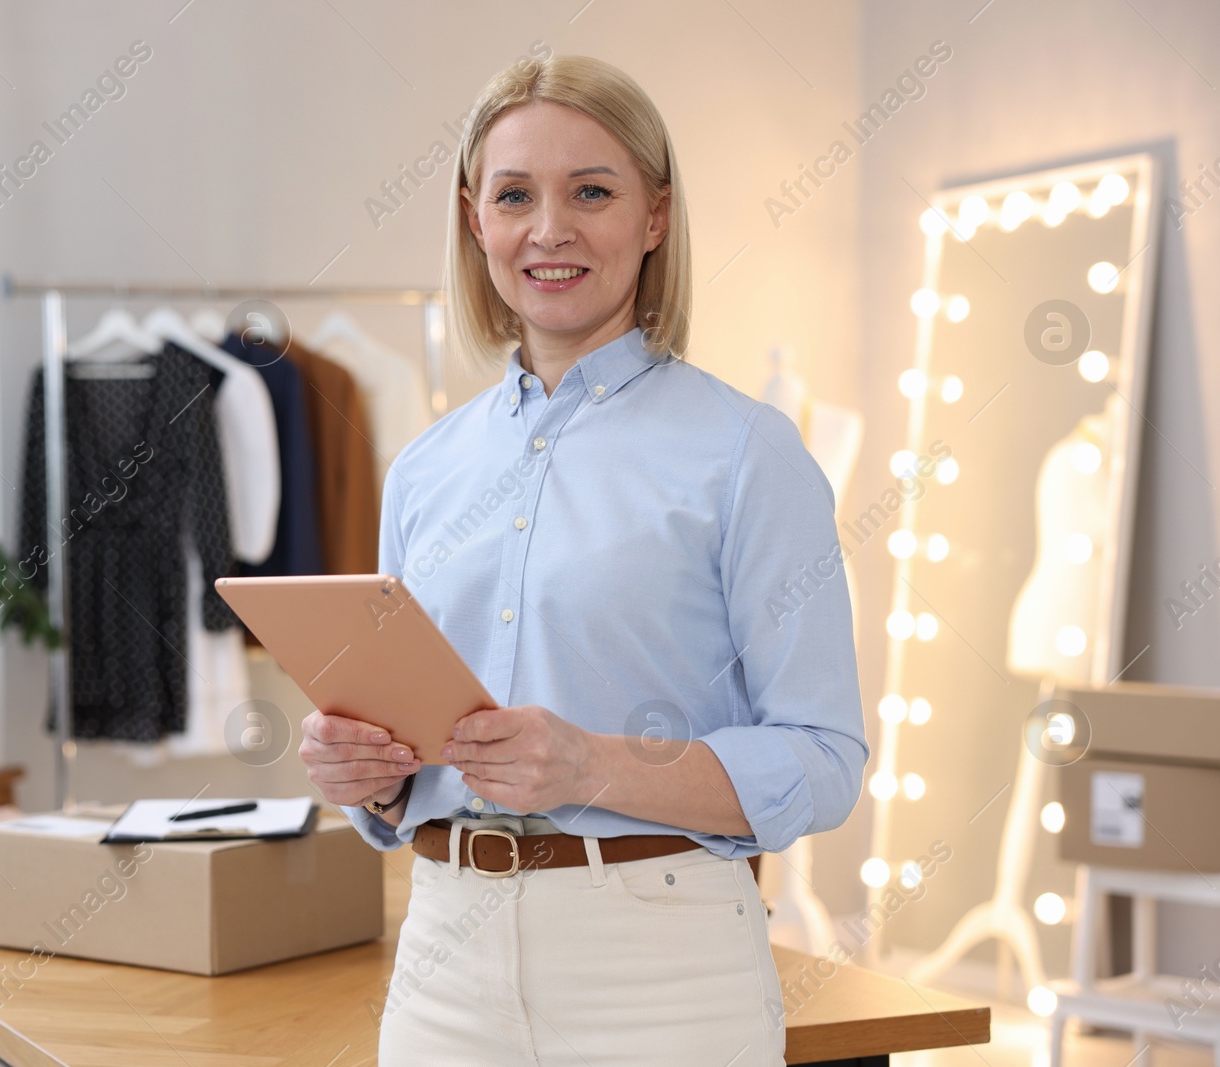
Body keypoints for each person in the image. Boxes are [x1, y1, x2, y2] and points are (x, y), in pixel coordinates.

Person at [298, 53, 868, 1066]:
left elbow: (824, 762)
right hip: (441, 960)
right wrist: (371, 779)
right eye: (515, 195)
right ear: (476, 220)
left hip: (661, 970)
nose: (548, 229)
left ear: (654, 215)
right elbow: (401, 763)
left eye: (591, 192)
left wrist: (591, 763)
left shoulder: (746, 452)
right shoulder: (426, 469)